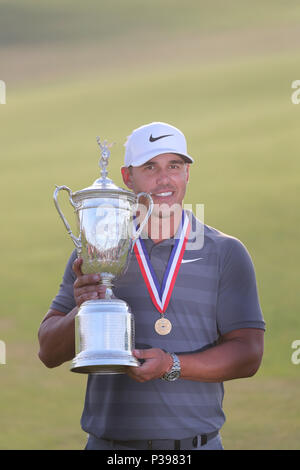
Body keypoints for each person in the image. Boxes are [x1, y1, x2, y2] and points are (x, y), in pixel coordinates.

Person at [38, 122, 265, 450]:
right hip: (111, 448)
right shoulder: (96, 249)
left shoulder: (225, 252)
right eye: (150, 167)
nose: (164, 179)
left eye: (174, 166)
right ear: (127, 177)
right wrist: (83, 309)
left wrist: (171, 365)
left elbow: (249, 354)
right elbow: (47, 352)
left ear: (187, 174)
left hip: (195, 447)